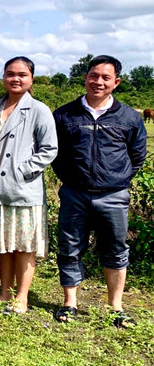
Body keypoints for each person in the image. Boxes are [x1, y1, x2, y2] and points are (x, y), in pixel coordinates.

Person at [51, 55, 147, 328]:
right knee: (70, 248)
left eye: (106, 77)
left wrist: (118, 179)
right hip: (74, 193)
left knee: (116, 249)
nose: (99, 82)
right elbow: (57, 155)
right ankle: (70, 302)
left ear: (116, 82)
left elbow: (137, 155)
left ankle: (115, 305)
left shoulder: (128, 117)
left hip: (113, 195)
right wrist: (71, 180)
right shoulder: (65, 114)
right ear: (85, 78)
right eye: (94, 76)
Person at [0, 57, 57, 314]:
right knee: (3, 243)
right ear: (3, 77)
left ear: (31, 78)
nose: (16, 79)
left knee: (25, 244)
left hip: (24, 188)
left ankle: (22, 297)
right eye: (10, 73)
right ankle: (4, 291)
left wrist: (23, 169)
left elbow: (49, 149)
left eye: (22, 74)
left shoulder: (39, 110)